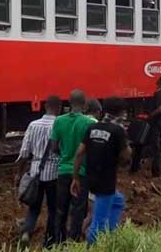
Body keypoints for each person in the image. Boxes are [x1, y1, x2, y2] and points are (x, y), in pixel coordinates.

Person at [71, 96, 131, 244]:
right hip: (106, 182)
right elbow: (126, 156)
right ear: (120, 113)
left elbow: (79, 153)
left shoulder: (92, 127)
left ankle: (110, 233)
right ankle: (92, 244)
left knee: (118, 201)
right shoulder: (118, 130)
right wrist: (127, 146)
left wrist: (75, 177)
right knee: (98, 221)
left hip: (91, 178)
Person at [16, 96, 62, 248]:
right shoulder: (60, 124)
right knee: (53, 209)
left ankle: (26, 233)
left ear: (45, 107)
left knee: (34, 208)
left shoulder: (33, 125)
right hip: (54, 173)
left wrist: (19, 173)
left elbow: (24, 153)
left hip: (35, 172)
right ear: (60, 108)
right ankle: (49, 242)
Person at [51, 89, 95, 243]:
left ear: (69, 103)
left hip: (62, 171)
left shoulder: (58, 121)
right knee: (78, 209)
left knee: (60, 209)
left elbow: (54, 147)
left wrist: (64, 155)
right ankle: (74, 241)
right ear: (84, 105)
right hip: (81, 173)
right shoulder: (89, 123)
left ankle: (59, 241)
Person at [131, 75, 161, 177]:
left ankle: (154, 171)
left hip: (154, 124)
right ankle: (138, 167)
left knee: (150, 146)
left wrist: (149, 116)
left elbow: (159, 109)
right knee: (148, 145)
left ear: (160, 82)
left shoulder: (159, 93)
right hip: (155, 124)